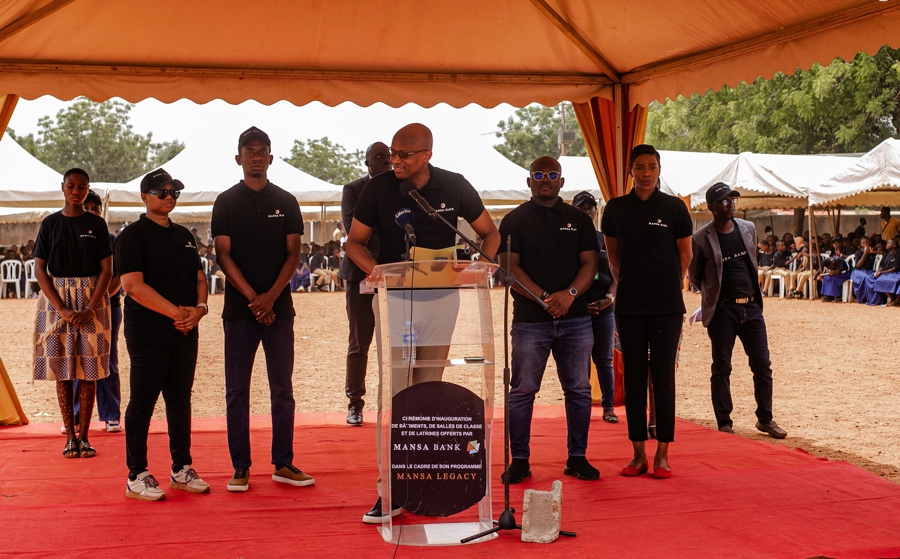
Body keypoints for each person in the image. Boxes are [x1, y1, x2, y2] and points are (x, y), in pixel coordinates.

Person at [345, 123, 500, 524]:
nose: (394, 160)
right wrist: (376, 271)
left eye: (404, 154)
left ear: (427, 154)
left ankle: (420, 481)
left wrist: (481, 266)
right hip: (397, 301)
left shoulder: (454, 185)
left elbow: (489, 234)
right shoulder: (378, 188)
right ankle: (391, 490)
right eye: (392, 153)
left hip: (445, 300)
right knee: (398, 393)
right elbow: (354, 242)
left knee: (428, 390)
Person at [211, 127, 313, 492]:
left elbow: (294, 253)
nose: (256, 156)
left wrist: (270, 298)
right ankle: (240, 467)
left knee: (282, 390)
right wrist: (255, 298)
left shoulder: (286, 201)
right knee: (236, 392)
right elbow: (223, 254)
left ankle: (282, 463)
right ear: (238, 157)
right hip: (240, 312)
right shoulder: (225, 202)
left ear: (270, 157)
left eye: (262, 150)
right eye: (249, 150)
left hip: (279, 310)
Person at [498, 162, 599, 485]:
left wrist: (569, 295)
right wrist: (543, 298)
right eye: (539, 175)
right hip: (530, 321)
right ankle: (520, 461)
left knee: (579, 390)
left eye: (552, 175)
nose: (545, 180)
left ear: (562, 181)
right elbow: (508, 267)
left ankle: (577, 457)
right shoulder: (514, 220)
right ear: (529, 181)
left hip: (576, 318)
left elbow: (590, 263)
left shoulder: (579, 219)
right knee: (522, 391)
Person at [115, 168, 210, 501]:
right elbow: (133, 287)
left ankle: (181, 468)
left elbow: (200, 278)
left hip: (185, 330)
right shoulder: (131, 236)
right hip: (148, 332)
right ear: (145, 197)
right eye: (162, 192)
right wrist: (178, 314)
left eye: (174, 192)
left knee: (180, 400)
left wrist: (199, 309)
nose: (169, 197)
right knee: (143, 401)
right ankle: (136, 474)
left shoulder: (184, 235)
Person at [600, 144, 692, 479]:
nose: (646, 174)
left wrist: (664, 283)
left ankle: (662, 454)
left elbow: (685, 256)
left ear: (659, 170)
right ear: (631, 171)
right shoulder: (615, 209)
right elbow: (613, 257)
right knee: (635, 379)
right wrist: (634, 282)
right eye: (639, 167)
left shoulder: (674, 208)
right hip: (629, 306)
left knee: (663, 378)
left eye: (651, 167)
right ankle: (638, 453)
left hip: (667, 306)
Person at [688, 183, 787, 439]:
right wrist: (714, 297)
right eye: (725, 200)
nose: (731, 204)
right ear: (711, 206)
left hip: (752, 308)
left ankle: (765, 419)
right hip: (723, 311)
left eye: (733, 199)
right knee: (722, 367)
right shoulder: (700, 238)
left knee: (762, 365)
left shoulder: (748, 228)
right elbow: (695, 276)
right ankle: (724, 422)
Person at [32, 168, 113, 460]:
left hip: (92, 301)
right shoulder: (50, 223)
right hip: (57, 300)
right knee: (63, 371)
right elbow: (40, 268)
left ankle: (85, 437)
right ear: (63, 187)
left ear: (87, 188)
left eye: (81, 187)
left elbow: (107, 269)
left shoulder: (97, 224)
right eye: (71, 186)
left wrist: (90, 307)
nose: (76, 192)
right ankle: (69, 436)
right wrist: (61, 308)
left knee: (90, 369)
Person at [338, 141, 391, 426]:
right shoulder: (353, 190)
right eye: (379, 156)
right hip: (361, 275)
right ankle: (355, 404)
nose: (385, 160)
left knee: (397, 344)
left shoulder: (401, 189)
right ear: (367, 162)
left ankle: (396, 403)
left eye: (388, 156)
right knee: (360, 342)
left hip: (394, 277)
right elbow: (353, 229)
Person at [71, 190, 123, 433]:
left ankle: (111, 414)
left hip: (109, 306)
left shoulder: (111, 239)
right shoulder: (71, 236)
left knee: (107, 358)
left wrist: (96, 303)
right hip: (75, 309)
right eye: (87, 208)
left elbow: (118, 276)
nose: (92, 212)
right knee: (75, 359)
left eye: (96, 208)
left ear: (101, 211)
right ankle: (75, 416)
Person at [572, 190, 617, 423]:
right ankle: (583, 407)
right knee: (580, 361)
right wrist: (579, 304)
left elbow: (618, 274)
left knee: (604, 360)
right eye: (582, 208)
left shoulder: (604, 239)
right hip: (577, 311)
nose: (587, 212)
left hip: (604, 311)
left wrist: (609, 298)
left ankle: (608, 407)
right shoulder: (566, 240)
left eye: (590, 208)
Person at [851, 236, 877, 303]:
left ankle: (871, 298)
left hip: (869, 271)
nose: (865, 244)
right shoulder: (858, 252)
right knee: (865, 278)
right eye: (863, 243)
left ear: (869, 243)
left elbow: (884, 253)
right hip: (858, 271)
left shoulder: (872, 252)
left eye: (867, 243)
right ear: (861, 244)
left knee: (872, 277)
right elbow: (857, 266)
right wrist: (865, 254)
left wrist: (872, 252)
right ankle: (862, 297)